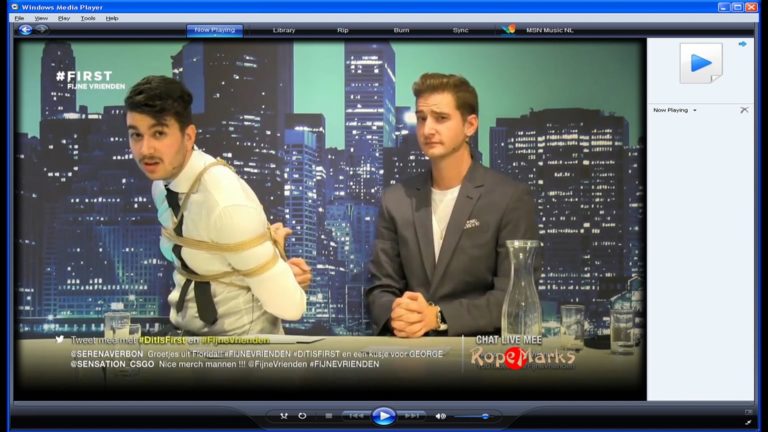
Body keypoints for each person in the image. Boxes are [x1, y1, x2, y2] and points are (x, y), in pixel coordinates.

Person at [125, 75, 311, 336]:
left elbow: (290, 307)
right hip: (186, 340)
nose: (145, 149)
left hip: (243, 350)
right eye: (136, 135)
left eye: (159, 133)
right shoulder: (162, 186)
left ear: (189, 136)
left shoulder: (225, 204)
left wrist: (276, 272)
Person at [366, 73, 538, 337]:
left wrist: (437, 317)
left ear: (470, 125)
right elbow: (380, 288)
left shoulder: (509, 198)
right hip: (410, 352)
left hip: (477, 352)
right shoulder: (395, 199)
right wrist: (396, 314)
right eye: (421, 118)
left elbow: (515, 294)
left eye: (441, 118)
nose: (427, 130)